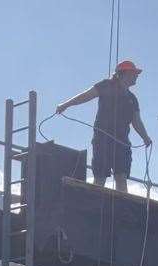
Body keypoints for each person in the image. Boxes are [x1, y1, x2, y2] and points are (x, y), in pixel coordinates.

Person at [56, 60, 152, 193]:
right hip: (103, 139)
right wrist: (66, 104)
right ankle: (96, 205)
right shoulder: (106, 85)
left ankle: (122, 208)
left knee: (121, 177)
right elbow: (86, 96)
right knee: (100, 177)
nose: (136, 76)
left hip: (122, 142)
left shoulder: (132, 98)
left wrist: (145, 137)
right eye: (134, 73)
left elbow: (136, 121)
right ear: (123, 74)